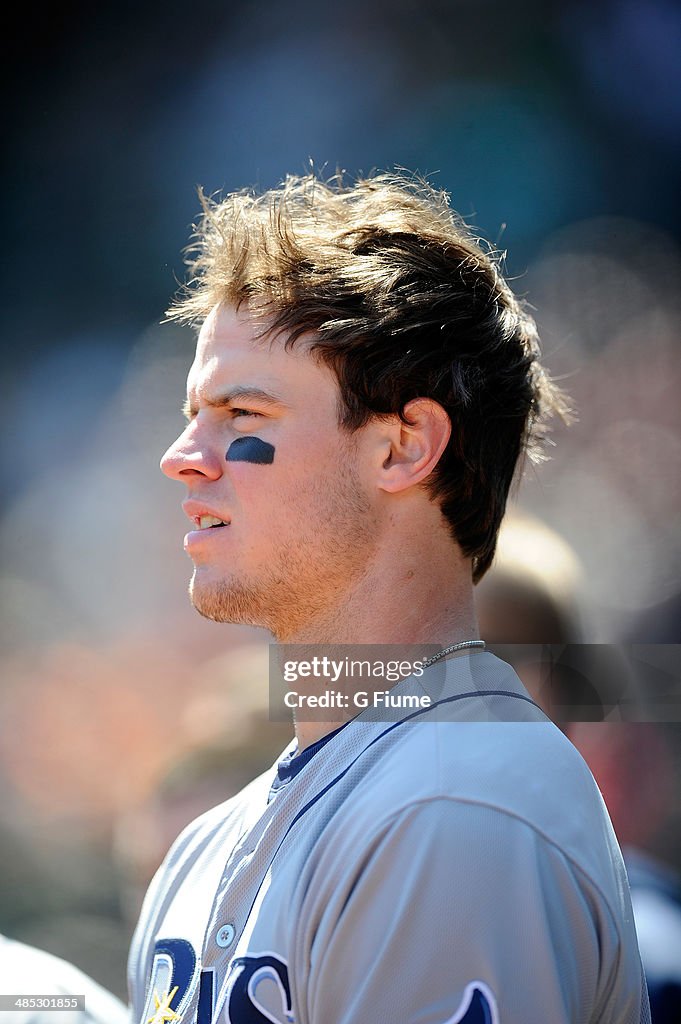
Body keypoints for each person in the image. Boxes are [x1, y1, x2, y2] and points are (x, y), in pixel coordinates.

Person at [128, 172, 650, 1023]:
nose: (183, 455)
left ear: (403, 448)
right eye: (193, 411)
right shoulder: (206, 846)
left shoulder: (459, 805)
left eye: (242, 414)